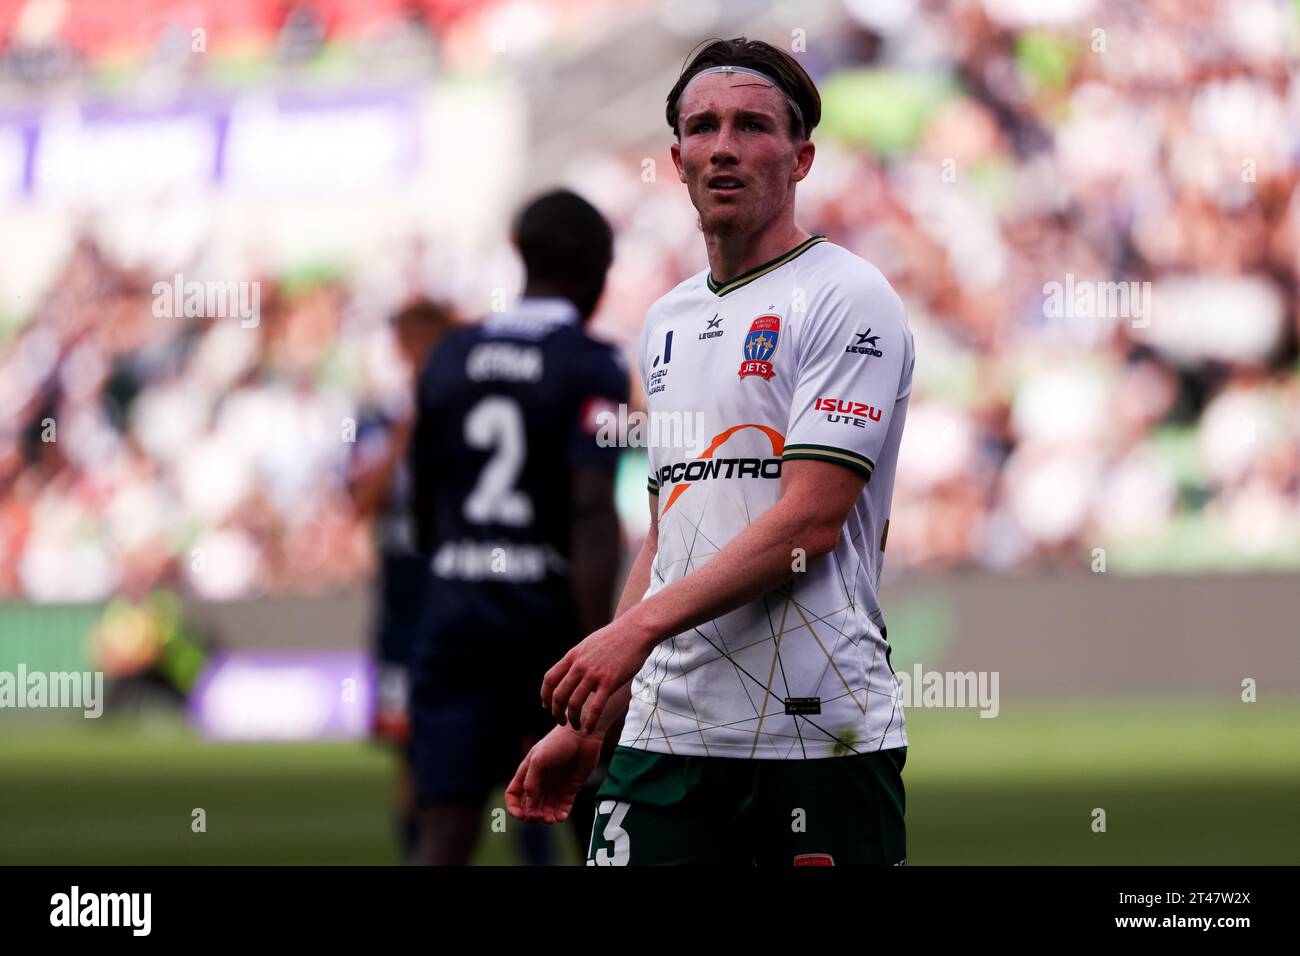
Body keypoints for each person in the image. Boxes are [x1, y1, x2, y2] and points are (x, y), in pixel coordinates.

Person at [506, 37, 915, 866]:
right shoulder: (665, 319)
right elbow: (668, 532)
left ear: (801, 157)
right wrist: (597, 716)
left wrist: (632, 633)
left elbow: (809, 525)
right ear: (677, 157)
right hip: (664, 736)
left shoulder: (847, 296)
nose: (723, 146)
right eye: (703, 127)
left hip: (816, 733)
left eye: (751, 126)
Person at [408, 190, 627, 865]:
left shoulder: (449, 355)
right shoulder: (593, 364)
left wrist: (448, 580)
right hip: (549, 628)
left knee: (443, 833)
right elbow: (592, 513)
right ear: (598, 270)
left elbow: (419, 502)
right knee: (594, 829)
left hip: (455, 619)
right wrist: (603, 653)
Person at [347, 298, 453, 860]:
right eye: (410, 341)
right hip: (404, 597)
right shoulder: (381, 419)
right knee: (407, 746)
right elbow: (363, 500)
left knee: (512, 736)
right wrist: (406, 434)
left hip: (460, 588)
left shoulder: (466, 412)